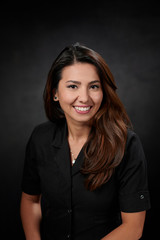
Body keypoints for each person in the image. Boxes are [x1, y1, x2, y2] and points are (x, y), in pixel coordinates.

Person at [20, 43, 151, 240]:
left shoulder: (127, 144)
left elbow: (133, 227)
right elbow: (30, 201)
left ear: (103, 92)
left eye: (94, 87)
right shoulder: (40, 137)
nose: (84, 97)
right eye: (73, 86)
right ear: (55, 92)